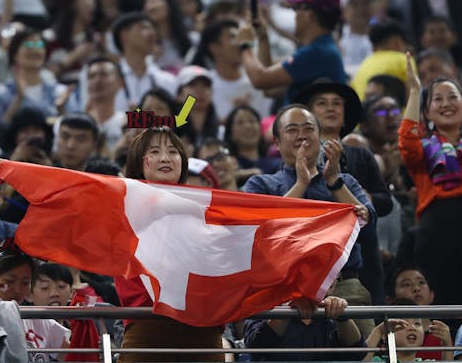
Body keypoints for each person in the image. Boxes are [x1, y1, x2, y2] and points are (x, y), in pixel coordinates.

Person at [244, 104, 375, 336]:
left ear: (320, 135)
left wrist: (334, 181)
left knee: (361, 355)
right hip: (280, 290)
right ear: (276, 141)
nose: (302, 135)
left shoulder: (345, 181)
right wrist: (300, 185)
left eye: (308, 128)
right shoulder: (260, 184)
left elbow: (367, 223)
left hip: (344, 287)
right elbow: (258, 232)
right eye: (292, 129)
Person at [115, 126, 223, 362]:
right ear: (138, 161)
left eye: (173, 152)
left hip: (203, 327)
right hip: (147, 326)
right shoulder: (120, 205)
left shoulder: (207, 208)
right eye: (154, 151)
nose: (165, 158)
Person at [399, 52, 462, 307]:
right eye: (437, 99)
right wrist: (416, 91)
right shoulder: (422, 152)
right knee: (442, 304)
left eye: (453, 97)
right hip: (435, 235)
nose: (446, 103)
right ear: (427, 112)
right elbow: (406, 139)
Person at [292, 81, 390, 305]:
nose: (331, 108)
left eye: (337, 103)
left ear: (345, 116)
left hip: (360, 255)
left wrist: (360, 200)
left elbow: (384, 203)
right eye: (322, 103)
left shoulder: (361, 155)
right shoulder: (294, 165)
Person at [237, 0, 346, 107]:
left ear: (308, 15)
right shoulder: (320, 49)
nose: (295, 15)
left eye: (297, 8)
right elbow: (269, 89)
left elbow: (259, 79)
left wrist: (245, 45)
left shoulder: (317, 53)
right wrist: (263, 38)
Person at [0, 239, 70, 361]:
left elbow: (73, 356)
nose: (18, 290)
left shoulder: (40, 320)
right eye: (10, 281)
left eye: (25, 283)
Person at [244, 286, 365, 361]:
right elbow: (255, 346)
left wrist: (342, 316)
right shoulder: (266, 304)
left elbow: (357, 354)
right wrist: (289, 309)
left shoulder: (330, 313)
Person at [386, 267, 454, 360]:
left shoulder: (443, 336)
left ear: (431, 295)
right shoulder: (383, 337)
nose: (416, 288)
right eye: (406, 284)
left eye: (421, 282)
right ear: (390, 299)